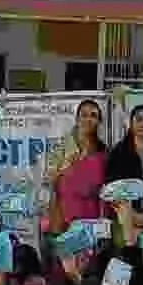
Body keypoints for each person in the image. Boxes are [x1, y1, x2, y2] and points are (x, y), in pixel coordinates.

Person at [46, 99, 108, 234]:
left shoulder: (104, 152)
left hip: (91, 222)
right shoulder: (61, 147)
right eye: (84, 115)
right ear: (77, 119)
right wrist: (67, 167)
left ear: (99, 121)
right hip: (63, 221)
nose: (88, 119)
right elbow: (49, 181)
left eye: (93, 116)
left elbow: (107, 190)